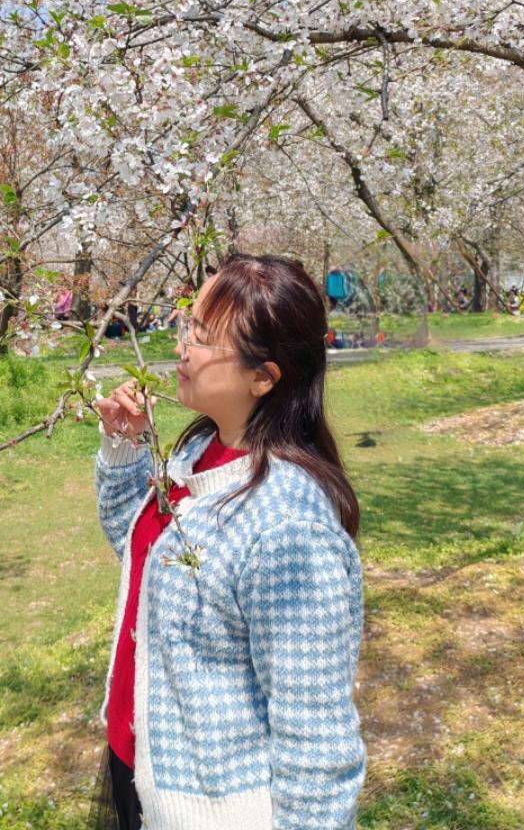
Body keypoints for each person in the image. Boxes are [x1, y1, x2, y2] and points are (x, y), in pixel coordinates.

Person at [90, 254, 364, 829]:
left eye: (204, 337)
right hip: (142, 767)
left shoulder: (287, 528)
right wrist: (124, 446)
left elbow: (315, 739)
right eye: (187, 324)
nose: (182, 346)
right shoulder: (198, 453)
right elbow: (143, 559)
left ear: (262, 376)